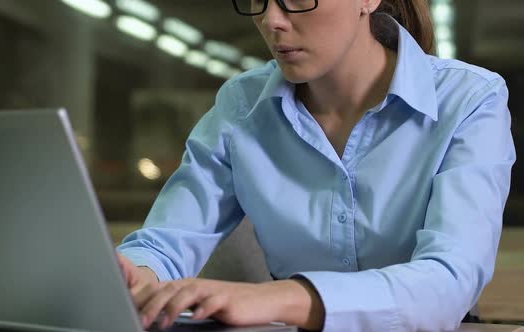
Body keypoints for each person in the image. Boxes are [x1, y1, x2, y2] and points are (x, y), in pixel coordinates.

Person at [117, 0, 516, 331]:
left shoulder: (469, 99)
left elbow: (449, 280)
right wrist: (130, 275)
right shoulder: (241, 106)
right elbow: (164, 245)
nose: (271, 20)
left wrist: (277, 298)